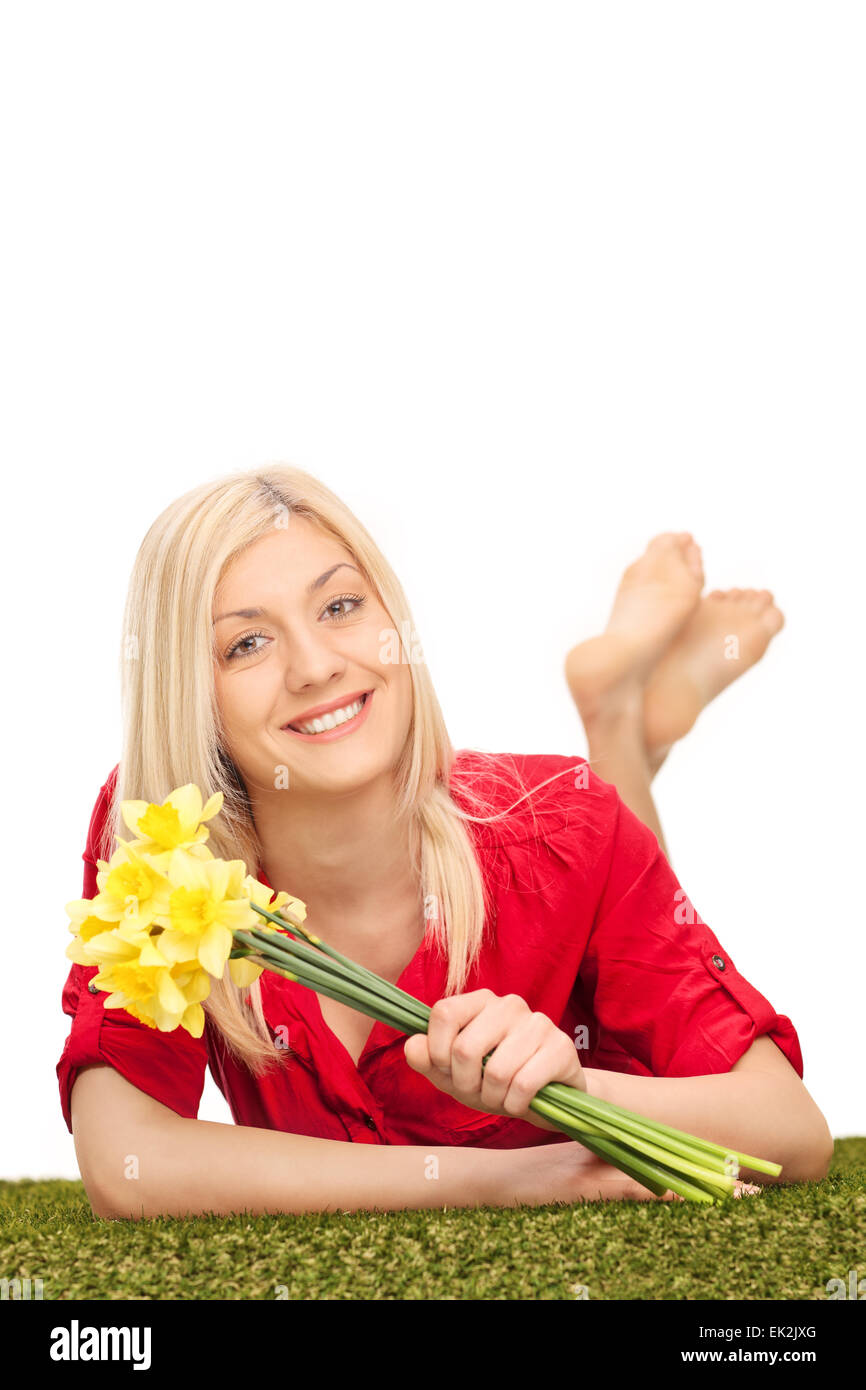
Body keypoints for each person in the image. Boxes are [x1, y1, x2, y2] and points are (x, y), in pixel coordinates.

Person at [59, 467, 833, 1220]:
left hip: (559, 833)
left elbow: (790, 1130)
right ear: (189, 692)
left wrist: (575, 1087)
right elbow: (129, 1165)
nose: (318, 666)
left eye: (339, 606)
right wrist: (517, 1179)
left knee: (601, 830)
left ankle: (617, 720)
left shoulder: (561, 822)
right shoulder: (162, 841)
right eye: (248, 644)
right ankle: (621, 713)